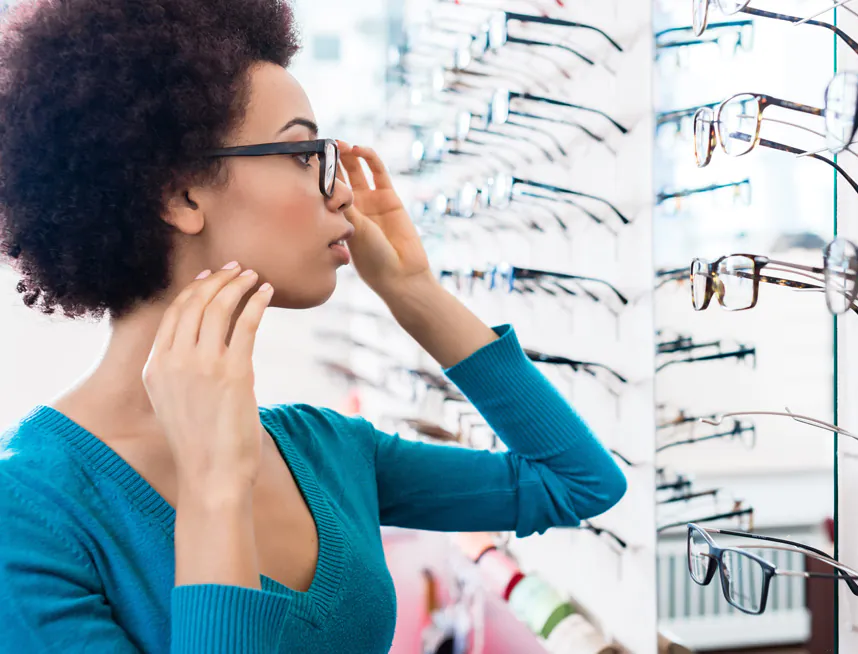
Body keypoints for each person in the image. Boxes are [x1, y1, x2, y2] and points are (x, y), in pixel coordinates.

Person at [0, 1, 627, 653]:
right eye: (305, 154)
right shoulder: (28, 509)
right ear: (182, 195)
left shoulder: (323, 449)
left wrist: (414, 293)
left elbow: (578, 484)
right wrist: (217, 494)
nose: (343, 195)